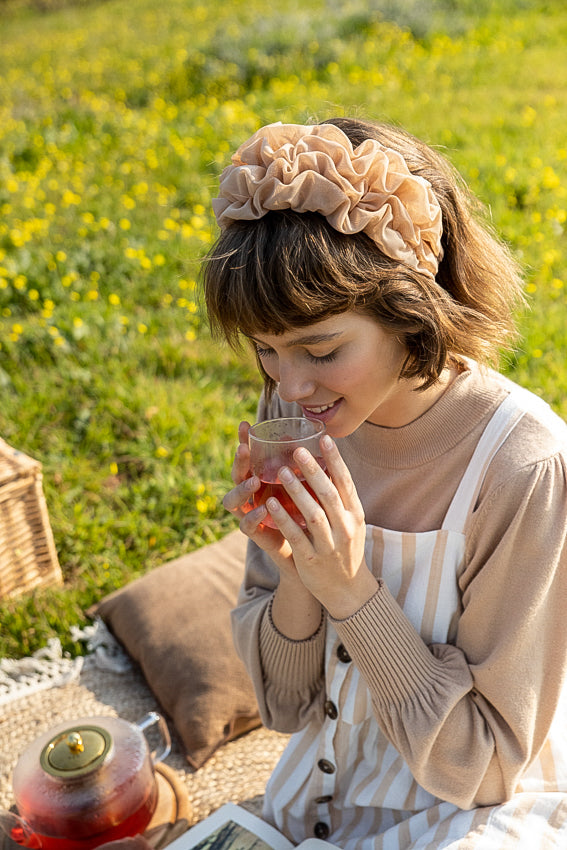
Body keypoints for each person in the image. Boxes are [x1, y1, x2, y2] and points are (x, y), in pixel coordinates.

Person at [201, 118, 567, 849]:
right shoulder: (294, 411)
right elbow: (283, 706)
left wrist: (348, 588)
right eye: (267, 351)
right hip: (320, 795)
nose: (290, 384)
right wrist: (296, 572)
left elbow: (487, 766)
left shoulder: (521, 464)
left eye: (322, 348)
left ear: (410, 310)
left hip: (475, 813)